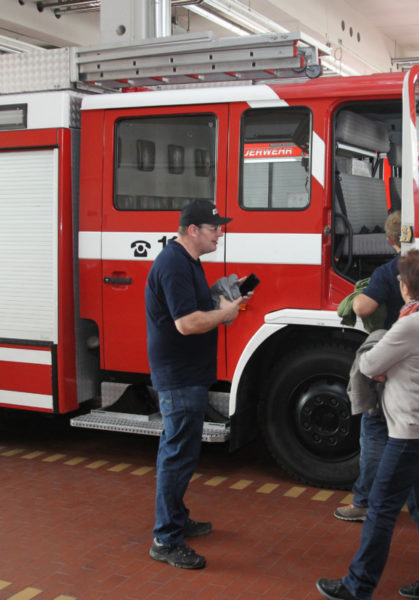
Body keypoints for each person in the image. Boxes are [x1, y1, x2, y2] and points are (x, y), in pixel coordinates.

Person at [318, 249, 419, 600]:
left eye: (400, 280)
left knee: (381, 507)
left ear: (406, 286)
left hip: (415, 431)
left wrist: (377, 359)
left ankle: (357, 587)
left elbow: (369, 365)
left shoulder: (411, 324)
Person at [145, 199, 245, 569]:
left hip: (188, 374)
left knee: (182, 455)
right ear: (193, 231)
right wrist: (224, 313)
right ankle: (166, 539)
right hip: (179, 376)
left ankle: (176, 520)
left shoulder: (187, 262)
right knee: (177, 457)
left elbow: (195, 311)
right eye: (214, 227)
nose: (220, 233)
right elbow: (186, 323)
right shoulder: (173, 265)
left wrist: (223, 302)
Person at [334, 211, 404, 522]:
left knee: (375, 430)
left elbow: (363, 307)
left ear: (390, 241)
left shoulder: (390, 271)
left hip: (392, 360)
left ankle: (364, 502)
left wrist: (362, 292)